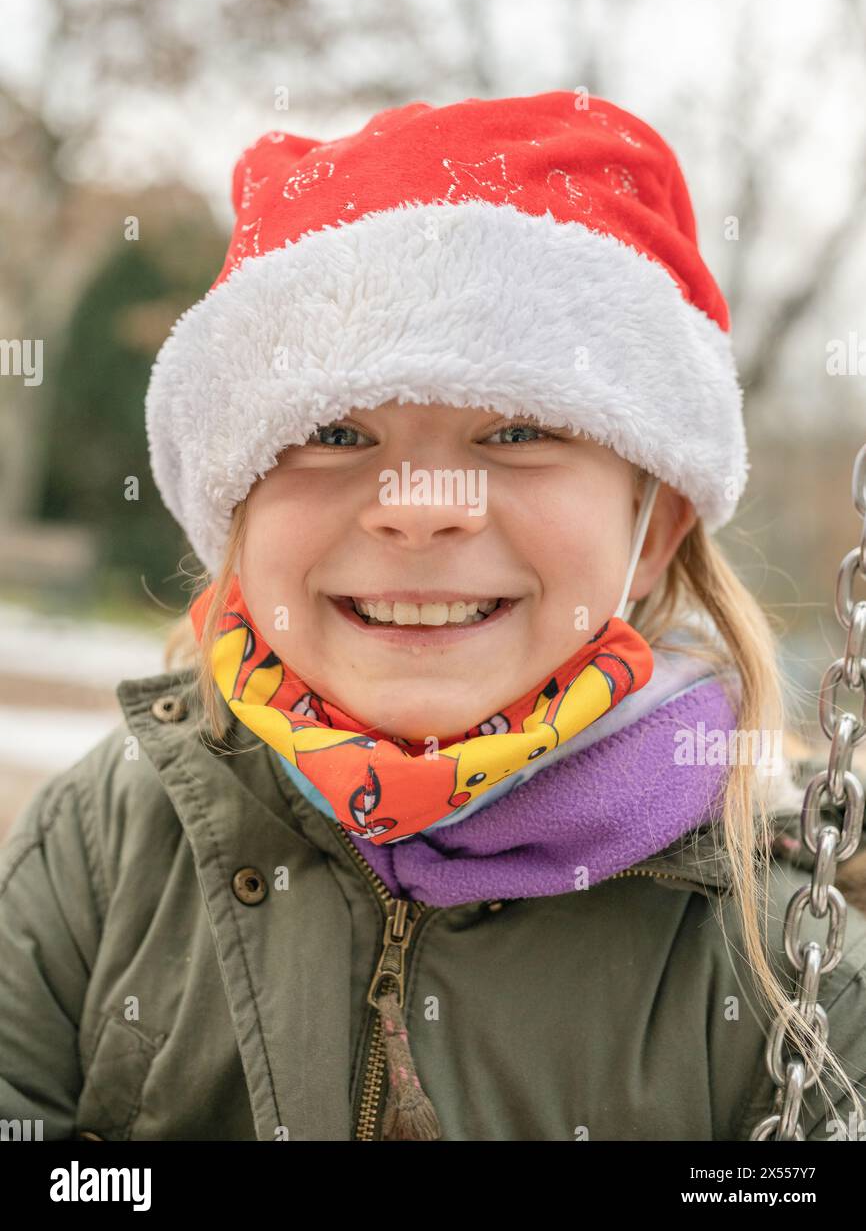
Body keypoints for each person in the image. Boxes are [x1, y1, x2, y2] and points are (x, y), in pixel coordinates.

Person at [1, 90, 865, 1142]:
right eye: (331, 429)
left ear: (650, 528)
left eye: (512, 431)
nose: (418, 511)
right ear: (236, 502)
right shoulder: (103, 848)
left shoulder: (782, 962)